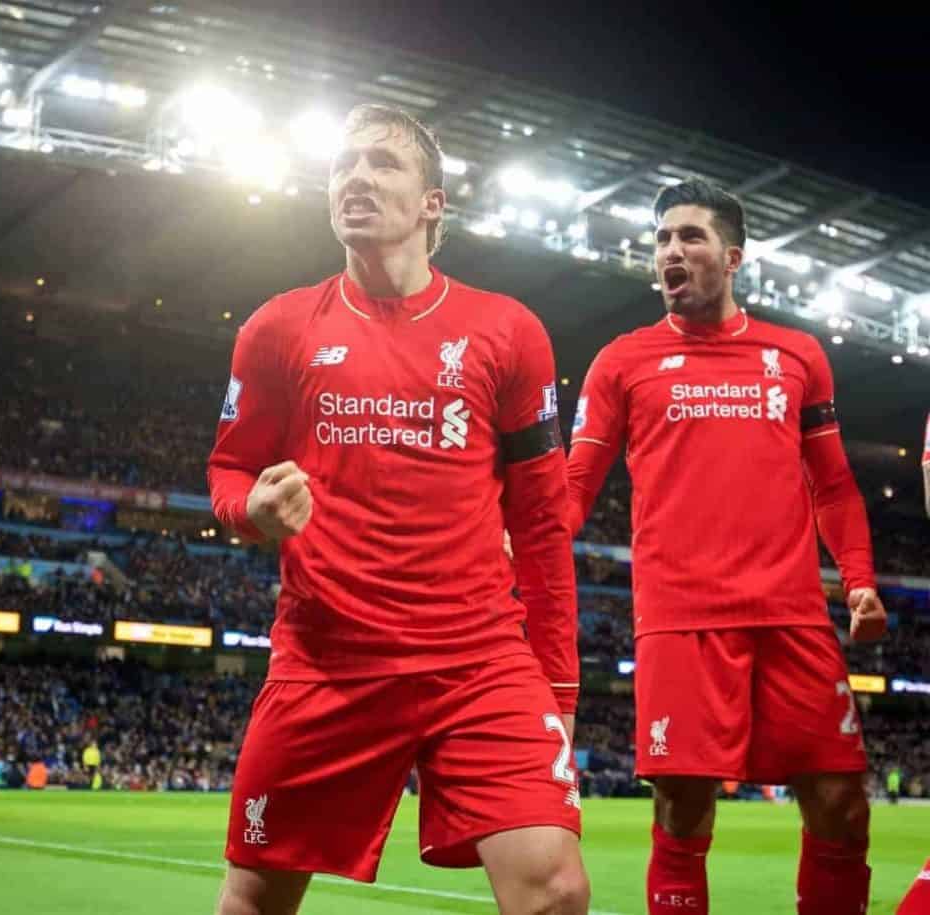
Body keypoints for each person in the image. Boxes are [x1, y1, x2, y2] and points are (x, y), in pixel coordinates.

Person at [207, 104, 587, 915]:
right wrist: (253, 511)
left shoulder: (507, 332)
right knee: (253, 900)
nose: (355, 177)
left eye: (382, 163)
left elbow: (545, 528)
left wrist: (558, 690)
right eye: (343, 163)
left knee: (556, 890)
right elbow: (229, 470)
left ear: (432, 203)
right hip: (326, 658)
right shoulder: (276, 328)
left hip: (478, 658)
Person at [566, 178, 887, 915]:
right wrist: (513, 547)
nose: (671, 251)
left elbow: (833, 486)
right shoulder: (624, 361)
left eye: (690, 236)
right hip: (681, 616)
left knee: (843, 804)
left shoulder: (796, 354)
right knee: (683, 810)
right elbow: (576, 482)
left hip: (793, 615)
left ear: (733, 256)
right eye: (662, 239)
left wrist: (861, 578)